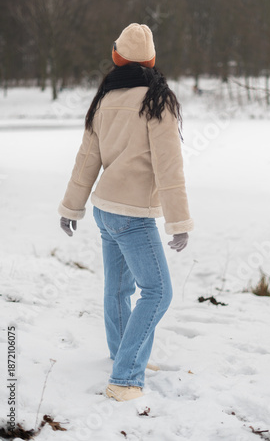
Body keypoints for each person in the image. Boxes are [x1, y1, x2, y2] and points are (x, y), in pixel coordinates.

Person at [58, 23, 194, 402]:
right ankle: (126, 377)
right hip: (132, 215)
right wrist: (179, 221)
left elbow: (86, 161)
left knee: (119, 291)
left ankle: (123, 353)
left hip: (105, 211)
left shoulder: (105, 99)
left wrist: (72, 206)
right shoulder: (157, 100)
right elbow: (169, 166)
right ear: (151, 60)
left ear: (117, 56)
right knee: (159, 292)